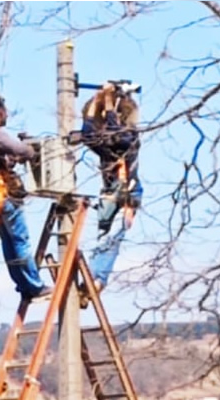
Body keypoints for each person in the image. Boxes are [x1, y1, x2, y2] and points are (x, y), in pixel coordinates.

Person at [0, 94, 52, 304]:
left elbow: (1, 162)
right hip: (3, 198)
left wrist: (12, 160)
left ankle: (22, 284)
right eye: (5, 110)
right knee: (20, 242)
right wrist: (31, 152)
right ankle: (34, 286)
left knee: (9, 244)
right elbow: (21, 149)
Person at [78, 82, 142, 288]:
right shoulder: (108, 140)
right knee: (104, 241)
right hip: (110, 194)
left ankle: (96, 280)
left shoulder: (129, 137)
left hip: (126, 193)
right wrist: (100, 100)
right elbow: (87, 131)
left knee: (109, 240)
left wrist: (105, 101)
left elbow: (116, 132)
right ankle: (95, 280)